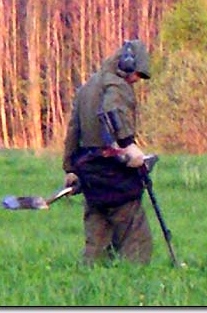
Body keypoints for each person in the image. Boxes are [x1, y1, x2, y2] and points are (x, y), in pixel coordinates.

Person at [62, 40, 153, 265]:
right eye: (136, 74)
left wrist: (70, 168)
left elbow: (73, 129)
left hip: (89, 171)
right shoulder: (117, 87)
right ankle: (134, 280)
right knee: (135, 234)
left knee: (96, 233)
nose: (136, 80)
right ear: (127, 66)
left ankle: (91, 283)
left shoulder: (87, 87)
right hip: (113, 170)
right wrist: (128, 144)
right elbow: (113, 111)